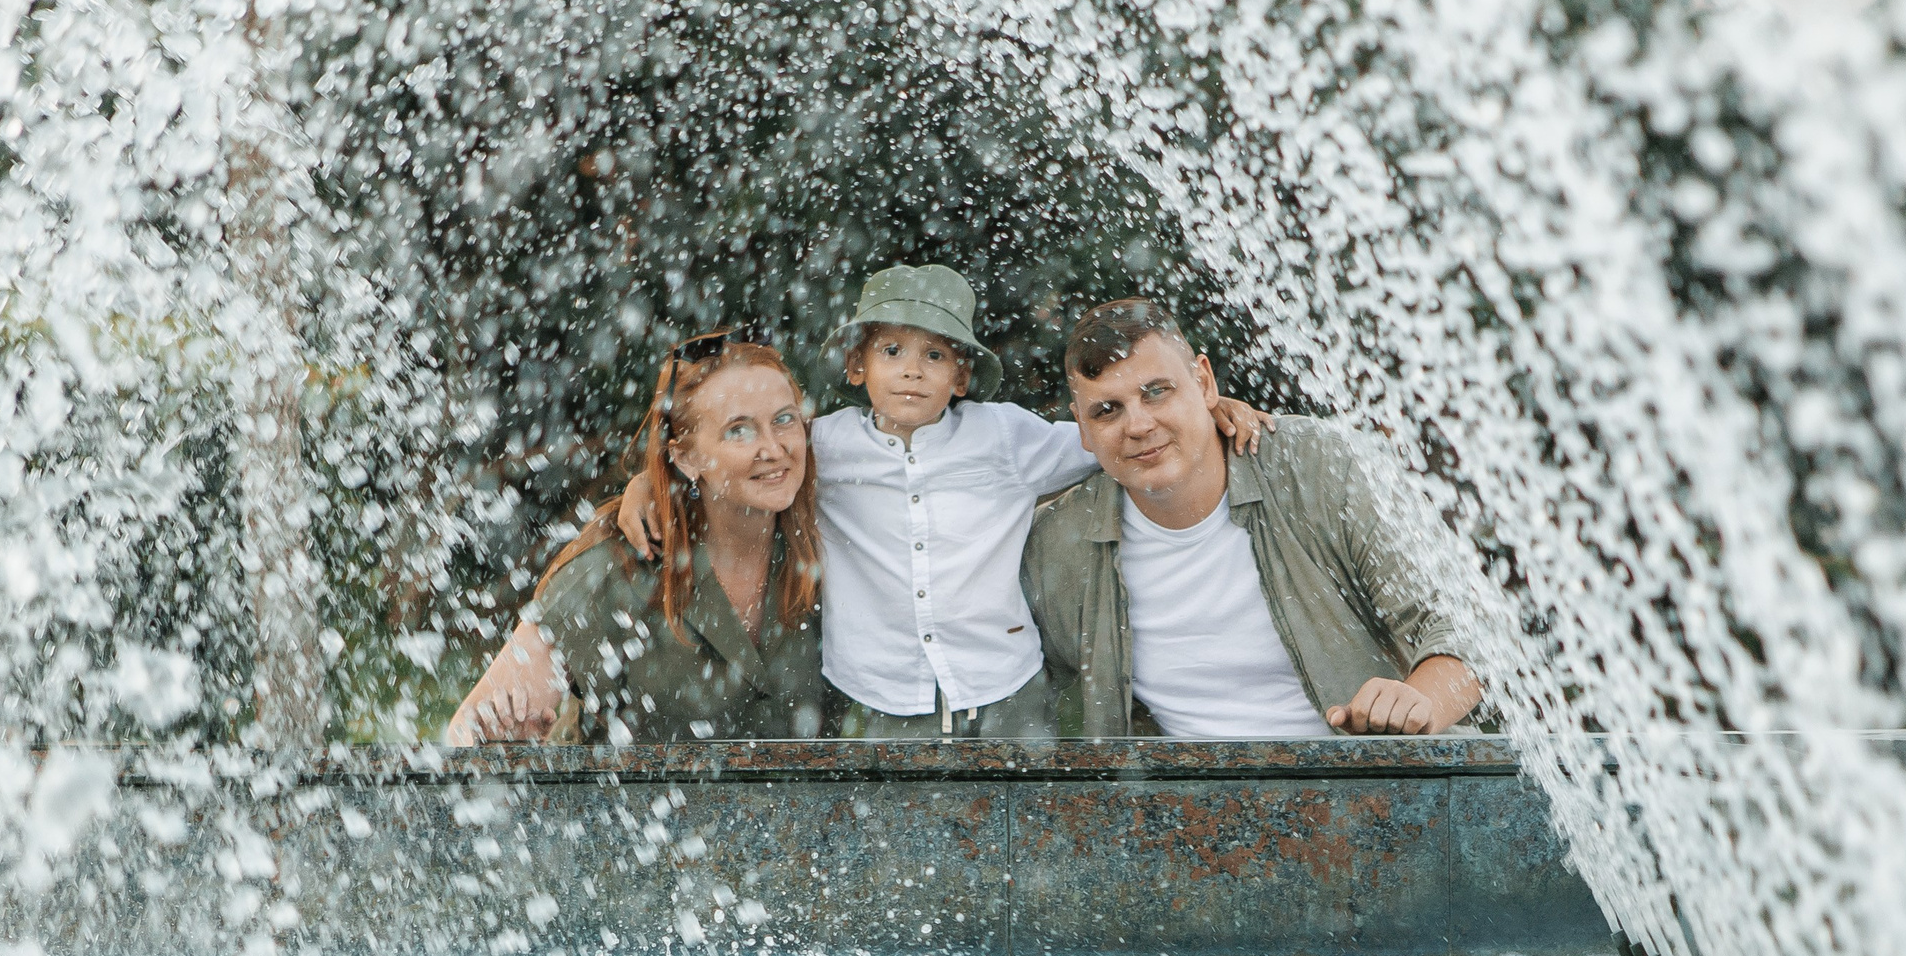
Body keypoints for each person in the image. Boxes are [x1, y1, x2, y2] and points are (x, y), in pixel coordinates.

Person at [618, 266, 1269, 736]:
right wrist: (649, 482)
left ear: (961, 376)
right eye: (892, 350)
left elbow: (1113, 440)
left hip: (1003, 682)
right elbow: (739, 464)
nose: (912, 369)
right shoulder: (824, 447)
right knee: (893, 843)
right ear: (856, 367)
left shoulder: (1005, 436)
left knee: (1018, 831)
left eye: (935, 355)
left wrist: (1210, 410)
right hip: (877, 692)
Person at [1021, 299, 1482, 738]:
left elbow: (1469, 631)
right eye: (1107, 410)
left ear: (1204, 382)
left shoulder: (1316, 467)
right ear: (1081, 427)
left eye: (1156, 392)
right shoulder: (1057, 545)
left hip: (1372, 794)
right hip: (1184, 813)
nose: (1138, 426)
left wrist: (1416, 705)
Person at [443, 335, 828, 745]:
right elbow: (465, 732)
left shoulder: (833, 543)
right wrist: (513, 748)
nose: (773, 448)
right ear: (685, 458)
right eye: (739, 431)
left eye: (784, 419)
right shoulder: (616, 568)